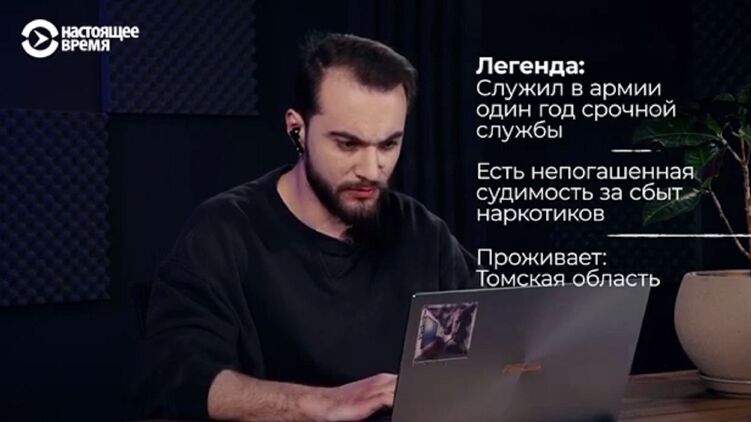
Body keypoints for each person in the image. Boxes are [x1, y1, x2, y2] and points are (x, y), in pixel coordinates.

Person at [138, 32, 478, 421]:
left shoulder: (422, 235)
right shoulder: (224, 234)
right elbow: (179, 379)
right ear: (297, 129)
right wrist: (321, 404)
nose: (371, 170)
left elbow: (474, 352)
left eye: (388, 145)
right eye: (347, 144)